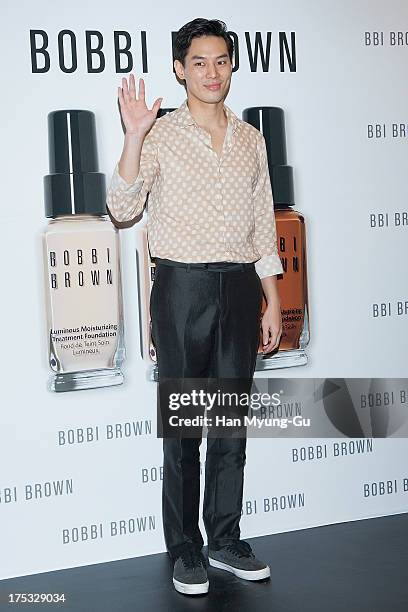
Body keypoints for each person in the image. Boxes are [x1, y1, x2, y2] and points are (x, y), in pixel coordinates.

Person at [106, 17, 284, 596]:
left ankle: (225, 539)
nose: (212, 72)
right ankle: (185, 548)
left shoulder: (251, 138)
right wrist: (134, 135)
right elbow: (122, 207)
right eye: (199, 62)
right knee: (184, 430)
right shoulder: (159, 134)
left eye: (222, 61)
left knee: (230, 425)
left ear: (233, 66)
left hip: (238, 289)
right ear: (180, 69)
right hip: (181, 289)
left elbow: (263, 227)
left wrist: (272, 299)